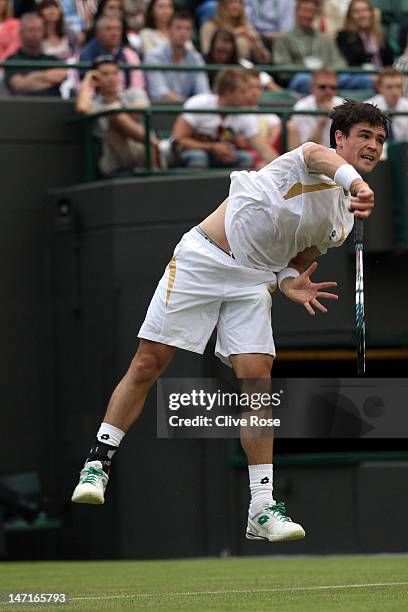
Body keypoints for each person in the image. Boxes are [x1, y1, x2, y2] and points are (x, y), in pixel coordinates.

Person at [71, 100, 389, 543]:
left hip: (254, 281)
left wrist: (291, 280)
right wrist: (355, 182)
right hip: (205, 258)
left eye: (379, 140)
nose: (373, 145)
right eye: (365, 136)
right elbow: (321, 157)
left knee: (258, 380)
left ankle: (261, 507)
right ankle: (97, 463)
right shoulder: (310, 159)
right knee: (150, 362)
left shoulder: (338, 221)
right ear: (341, 139)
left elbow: (299, 257)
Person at [171, 68, 278, 169]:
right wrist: (212, 147)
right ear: (228, 92)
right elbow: (179, 140)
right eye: (242, 92)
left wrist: (284, 168)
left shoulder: (243, 113)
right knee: (198, 157)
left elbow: (262, 148)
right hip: (190, 152)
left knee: (245, 158)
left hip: (220, 156)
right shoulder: (198, 104)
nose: (247, 96)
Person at [76, 54, 159, 175]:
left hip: (143, 150)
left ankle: (153, 148)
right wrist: (87, 80)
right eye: (105, 74)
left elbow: (143, 107)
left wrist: (119, 108)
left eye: (115, 73)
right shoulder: (93, 103)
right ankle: (157, 145)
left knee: (118, 113)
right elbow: (82, 108)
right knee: (116, 115)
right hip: (114, 155)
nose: (111, 78)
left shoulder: (133, 93)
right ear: (96, 79)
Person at [273, 0, 347, 94]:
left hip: (329, 78)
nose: (308, 15)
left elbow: (340, 63)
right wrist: (306, 69)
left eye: (311, 11)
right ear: (296, 11)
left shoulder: (326, 39)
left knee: (362, 79)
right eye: (305, 10)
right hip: (302, 80)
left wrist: (326, 72)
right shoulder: (284, 39)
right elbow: (282, 68)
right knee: (303, 79)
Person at [144, 9, 210, 102]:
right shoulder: (154, 56)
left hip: (189, 112)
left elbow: (203, 92)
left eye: (187, 29)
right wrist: (189, 105)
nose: (183, 33)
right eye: (178, 28)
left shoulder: (196, 58)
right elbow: (160, 93)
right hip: (161, 110)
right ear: (169, 30)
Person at [4, 12, 68, 96]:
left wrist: (31, 78)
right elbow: (19, 85)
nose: (35, 34)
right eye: (31, 30)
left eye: (39, 30)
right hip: (24, 107)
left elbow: (63, 75)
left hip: (53, 107)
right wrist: (48, 78)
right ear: (21, 33)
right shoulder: (12, 60)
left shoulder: (53, 60)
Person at [79, 14, 145, 93]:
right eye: (108, 29)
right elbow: (86, 90)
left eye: (118, 29)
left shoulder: (129, 55)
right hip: (97, 102)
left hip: (126, 100)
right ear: (97, 32)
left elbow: (137, 87)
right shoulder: (86, 55)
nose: (114, 33)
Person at [199, 0, 270, 64]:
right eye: (231, 2)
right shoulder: (209, 27)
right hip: (219, 71)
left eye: (239, 2)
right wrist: (232, 36)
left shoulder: (246, 28)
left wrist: (256, 43)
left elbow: (264, 60)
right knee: (241, 41)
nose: (236, 6)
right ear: (223, 5)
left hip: (244, 71)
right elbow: (207, 53)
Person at [336, 0, 395, 73]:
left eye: (365, 10)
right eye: (356, 11)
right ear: (350, 15)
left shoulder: (379, 36)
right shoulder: (344, 36)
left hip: (382, 77)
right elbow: (349, 64)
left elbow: (390, 61)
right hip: (360, 78)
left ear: (371, 13)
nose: (362, 15)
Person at [290, 68, 344, 148]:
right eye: (323, 87)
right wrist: (321, 122)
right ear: (312, 88)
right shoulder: (301, 108)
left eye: (333, 87)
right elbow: (304, 149)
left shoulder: (342, 105)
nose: (328, 91)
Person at [366, 68, 408, 152]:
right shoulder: (368, 108)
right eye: (389, 87)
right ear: (380, 88)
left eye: (398, 86)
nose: (395, 91)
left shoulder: (407, 107)